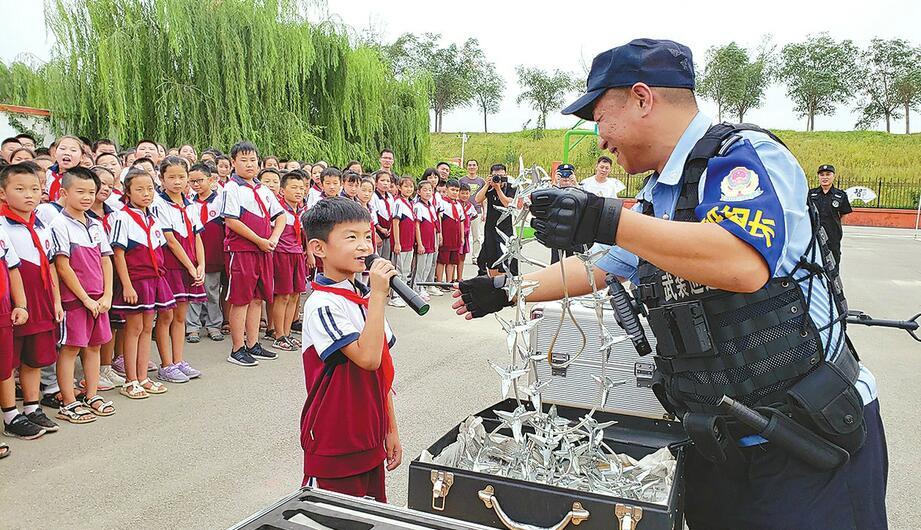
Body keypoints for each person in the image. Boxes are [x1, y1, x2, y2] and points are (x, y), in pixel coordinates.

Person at [453, 38, 886, 530]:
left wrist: (608, 219)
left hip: (807, 442)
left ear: (642, 98)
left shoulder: (742, 156)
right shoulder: (660, 195)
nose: (600, 139)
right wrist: (509, 288)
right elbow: (602, 266)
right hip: (718, 444)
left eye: (600, 117)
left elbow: (743, 262)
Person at [300, 197, 401, 502]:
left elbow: (381, 369)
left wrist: (390, 428)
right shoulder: (322, 304)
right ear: (319, 248)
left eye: (368, 236)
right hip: (336, 439)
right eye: (351, 237)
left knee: (370, 516)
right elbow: (367, 358)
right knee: (335, 517)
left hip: (369, 433)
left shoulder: (363, 298)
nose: (365, 246)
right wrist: (379, 296)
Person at [50, 167, 117, 421]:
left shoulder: (96, 225)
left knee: (94, 347)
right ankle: (68, 401)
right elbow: (62, 266)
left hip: (99, 299)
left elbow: (106, 261)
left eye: (91, 192)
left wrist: (107, 295)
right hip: (75, 301)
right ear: (64, 192)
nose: (87, 197)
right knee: (70, 348)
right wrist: (85, 299)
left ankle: (91, 394)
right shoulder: (59, 224)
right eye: (81, 192)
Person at [0, 164, 62, 435]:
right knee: (8, 359)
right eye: (20, 189)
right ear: (3, 193)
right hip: (14, 303)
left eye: (35, 189)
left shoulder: (42, 224)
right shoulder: (3, 225)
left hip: (41, 300)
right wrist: (18, 303)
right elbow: (12, 268)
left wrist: (57, 301)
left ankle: (32, 406)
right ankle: (10, 415)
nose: (29, 195)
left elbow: (50, 266)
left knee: (35, 357)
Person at [111, 168, 175, 399]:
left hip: (154, 279)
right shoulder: (122, 216)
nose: (146, 193)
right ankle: (130, 380)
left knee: (148, 328)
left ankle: (142, 377)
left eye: (149, 189)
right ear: (127, 192)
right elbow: (118, 253)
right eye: (139, 189)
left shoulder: (153, 218)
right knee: (134, 328)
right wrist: (126, 285)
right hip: (135, 280)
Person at [221, 141, 285, 367]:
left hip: (264, 250)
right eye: (243, 160)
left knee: (258, 298)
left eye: (253, 160)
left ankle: (253, 343)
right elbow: (231, 220)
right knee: (241, 299)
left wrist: (273, 238)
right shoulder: (231, 188)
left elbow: (281, 216)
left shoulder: (263, 189)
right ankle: (237, 348)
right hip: (243, 250)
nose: (249, 165)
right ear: (233, 163)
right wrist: (259, 240)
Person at [153, 157, 206, 383]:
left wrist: (200, 264)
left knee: (181, 317)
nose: (177, 181)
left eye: (181, 177)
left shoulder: (191, 205)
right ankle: (166, 365)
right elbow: (171, 241)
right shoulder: (159, 205)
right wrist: (190, 266)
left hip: (190, 267)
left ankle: (179, 360)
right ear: (161, 179)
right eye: (171, 177)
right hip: (172, 266)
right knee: (166, 316)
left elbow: (196, 236)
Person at [0, 216, 36, 442]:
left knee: (4, 365)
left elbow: (12, 268)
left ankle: (11, 415)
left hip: (3, 308)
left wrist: (21, 304)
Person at [186, 164, 226, 343]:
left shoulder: (220, 201)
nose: (196, 184)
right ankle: (192, 326)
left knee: (212, 291)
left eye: (200, 180)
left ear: (211, 180)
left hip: (214, 254)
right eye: (192, 181)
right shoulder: (188, 202)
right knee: (194, 290)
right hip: (192, 255)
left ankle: (214, 325)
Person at [270, 171, 307, 352]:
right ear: (283, 190)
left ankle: (287, 331)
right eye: (294, 188)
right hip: (282, 254)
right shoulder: (277, 209)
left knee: (295, 294)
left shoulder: (301, 210)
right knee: (283, 295)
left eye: (301, 188)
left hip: (298, 253)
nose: (299, 191)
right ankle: (279, 335)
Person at [474, 163, 517, 276]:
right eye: (495, 176)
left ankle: (504, 285)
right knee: (491, 258)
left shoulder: (511, 187)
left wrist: (498, 189)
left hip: (505, 229)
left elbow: (508, 204)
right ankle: (493, 284)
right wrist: (487, 185)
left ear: (506, 175)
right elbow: (478, 199)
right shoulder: (489, 187)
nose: (498, 179)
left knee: (504, 258)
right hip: (490, 228)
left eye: (501, 176)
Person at [809, 164, 852, 267]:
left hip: (832, 236)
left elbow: (844, 214)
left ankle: (832, 283)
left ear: (833, 176)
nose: (825, 177)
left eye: (828, 174)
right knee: (813, 262)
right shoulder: (811, 194)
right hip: (814, 234)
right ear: (818, 177)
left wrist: (835, 226)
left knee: (833, 262)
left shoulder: (840, 195)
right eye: (822, 175)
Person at [389, 177, 416, 308]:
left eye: (411, 187)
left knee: (406, 270)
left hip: (409, 243)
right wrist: (397, 242)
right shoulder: (398, 203)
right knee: (398, 269)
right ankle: (394, 296)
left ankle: (403, 294)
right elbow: (395, 223)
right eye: (406, 186)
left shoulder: (409, 203)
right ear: (399, 188)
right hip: (401, 243)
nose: (409, 189)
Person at [413, 180, 437, 301]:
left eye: (430, 190)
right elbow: (417, 226)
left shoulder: (431, 206)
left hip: (431, 239)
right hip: (423, 240)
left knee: (428, 265)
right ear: (418, 192)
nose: (428, 192)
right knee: (420, 266)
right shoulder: (418, 206)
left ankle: (422, 287)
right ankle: (416, 288)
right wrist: (420, 243)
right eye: (425, 190)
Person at [458, 159, 486, 262]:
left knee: (476, 236)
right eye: (470, 165)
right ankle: (460, 254)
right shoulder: (461, 180)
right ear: (467, 167)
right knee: (462, 234)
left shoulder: (481, 181)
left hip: (476, 211)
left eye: (474, 165)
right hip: (462, 211)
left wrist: (484, 212)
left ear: (477, 167)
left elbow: (484, 198)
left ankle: (475, 257)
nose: (472, 167)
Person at [46, 135, 83, 202]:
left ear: (82, 157)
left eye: (73, 150)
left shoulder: (83, 178)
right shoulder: (48, 172)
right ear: (55, 153)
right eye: (62, 149)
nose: (67, 153)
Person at [370, 171, 395, 260]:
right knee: (378, 257)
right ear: (376, 183)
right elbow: (373, 213)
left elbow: (392, 213)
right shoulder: (373, 196)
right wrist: (380, 228)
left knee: (386, 257)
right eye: (382, 180)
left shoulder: (390, 197)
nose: (385, 183)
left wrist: (391, 228)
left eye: (388, 181)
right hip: (379, 230)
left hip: (388, 231)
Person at [457, 183, 477, 281]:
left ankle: (460, 277)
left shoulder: (470, 206)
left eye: (467, 193)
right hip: (456, 234)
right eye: (462, 193)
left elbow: (473, 216)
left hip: (465, 235)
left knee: (462, 257)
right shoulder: (456, 205)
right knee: (454, 257)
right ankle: (451, 278)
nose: (465, 195)